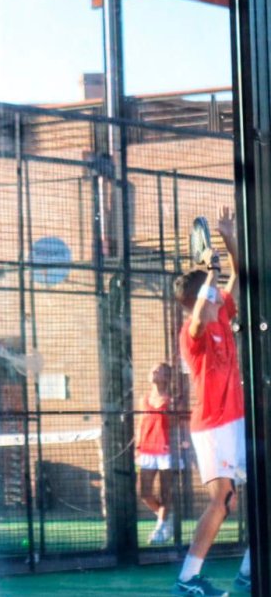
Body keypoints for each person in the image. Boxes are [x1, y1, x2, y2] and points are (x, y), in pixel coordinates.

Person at [171, 206, 251, 596]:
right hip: (213, 424)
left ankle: (251, 570)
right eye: (212, 290)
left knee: (249, 493)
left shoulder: (221, 313)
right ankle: (187, 579)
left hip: (234, 418)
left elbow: (239, 274)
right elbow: (202, 309)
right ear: (195, 298)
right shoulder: (194, 330)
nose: (221, 295)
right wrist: (210, 273)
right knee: (221, 500)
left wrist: (227, 237)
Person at [136, 362, 179, 545]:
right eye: (152, 368)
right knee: (144, 493)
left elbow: (176, 424)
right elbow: (141, 423)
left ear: (166, 377)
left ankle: (160, 528)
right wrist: (137, 446)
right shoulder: (143, 398)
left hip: (166, 450)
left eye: (158, 370)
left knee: (165, 492)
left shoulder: (172, 400)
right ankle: (166, 518)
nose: (153, 371)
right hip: (146, 449)